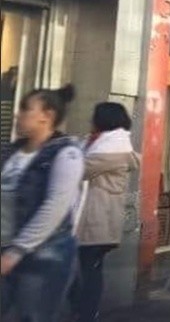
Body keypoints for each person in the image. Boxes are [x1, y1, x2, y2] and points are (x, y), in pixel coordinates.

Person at [1, 84, 84, 321]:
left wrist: (17, 251)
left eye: (26, 109)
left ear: (46, 117)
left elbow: (55, 206)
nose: (19, 115)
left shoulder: (66, 154)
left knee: (32, 315)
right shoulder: (11, 152)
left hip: (44, 255)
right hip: (7, 249)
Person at [69, 102, 139, 322]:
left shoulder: (113, 149)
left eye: (94, 117)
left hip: (96, 222)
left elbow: (79, 169)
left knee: (87, 272)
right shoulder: (103, 144)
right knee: (85, 270)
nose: (90, 122)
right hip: (94, 221)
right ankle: (84, 313)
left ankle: (86, 315)